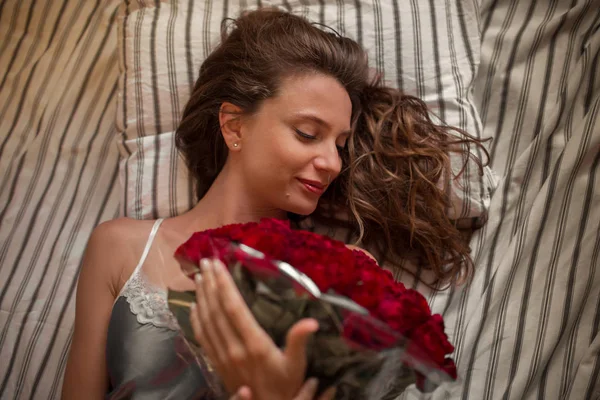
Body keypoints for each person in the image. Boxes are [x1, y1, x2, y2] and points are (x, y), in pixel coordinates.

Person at [62, 8, 485, 400]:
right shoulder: (120, 247)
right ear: (233, 125)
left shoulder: (346, 274)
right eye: (307, 133)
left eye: (340, 144)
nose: (333, 163)